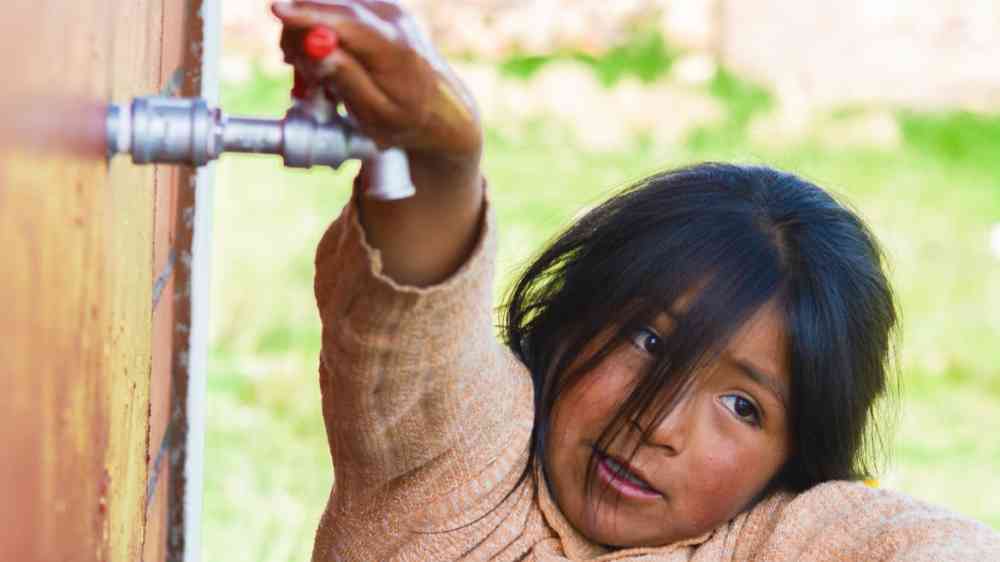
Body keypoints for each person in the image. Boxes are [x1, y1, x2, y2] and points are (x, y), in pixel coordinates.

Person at [271, 1, 1000, 560]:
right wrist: (440, 159)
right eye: (650, 339)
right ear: (574, 313)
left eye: (745, 406)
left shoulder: (778, 532)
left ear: (795, 458)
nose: (659, 425)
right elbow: (418, 330)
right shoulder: (456, 455)